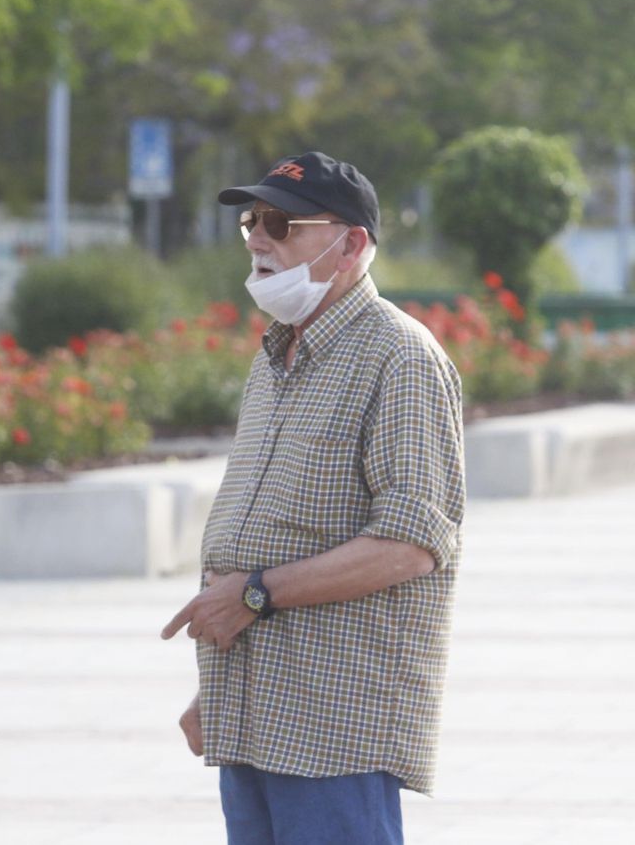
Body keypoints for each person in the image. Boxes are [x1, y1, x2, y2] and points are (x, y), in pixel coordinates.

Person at [160, 152, 465, 845]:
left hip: (336, 725)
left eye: (281, 223)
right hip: (258, 713)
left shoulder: (400, 357)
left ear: (351, 243)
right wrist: (222, 689)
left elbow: (412, 544)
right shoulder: (275, 357)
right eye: (251, 222)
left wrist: (254, 594)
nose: (259, 240)